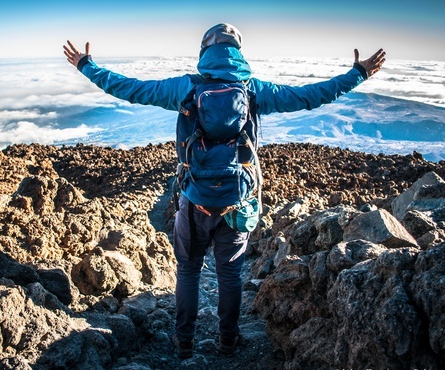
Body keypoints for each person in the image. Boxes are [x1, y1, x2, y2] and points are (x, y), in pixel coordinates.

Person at [63, 23, 385, 359]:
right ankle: (228, 342)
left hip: (194, 201)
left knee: (188, 271)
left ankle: (183, 343)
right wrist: (357, 74)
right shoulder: (254, 90)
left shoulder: (187, 88)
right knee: (230, 275)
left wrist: (87, 66)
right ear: (238, 51)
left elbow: (130, 88)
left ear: (204, 51)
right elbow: (310, 96)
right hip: (236, 203)